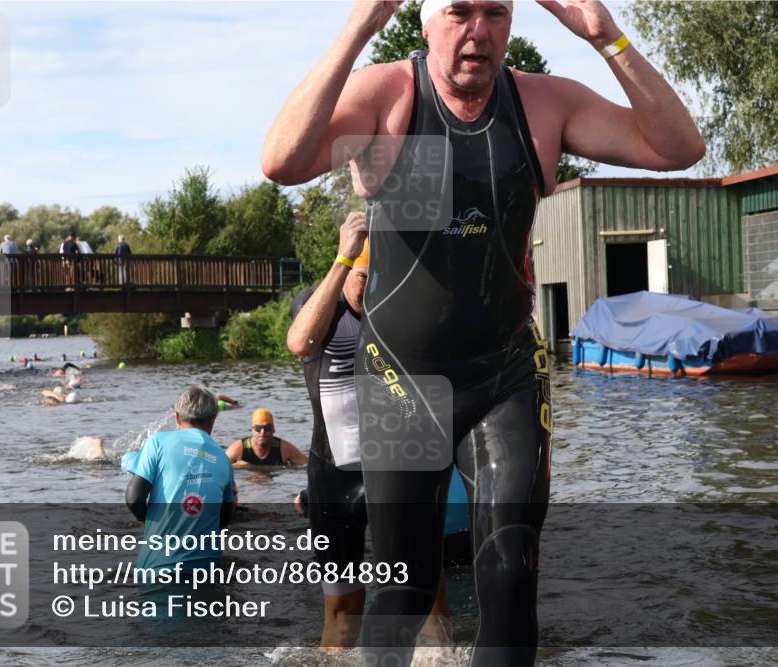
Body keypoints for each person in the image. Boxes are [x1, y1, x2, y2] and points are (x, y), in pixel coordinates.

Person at [261, 2, 705, 665]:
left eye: (496, 12)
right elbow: (283, 161)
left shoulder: (542, 103)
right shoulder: (389, 96)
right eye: (459, 11)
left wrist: (603, 35)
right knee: (404, 589)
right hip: (401, 379)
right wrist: (358, 26)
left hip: (506, 374)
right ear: (423, 23)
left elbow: (678, 147)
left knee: (510, 582)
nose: (479, 30)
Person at [287, 216, 453, 652]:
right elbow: (301, 343)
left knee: (427, 593)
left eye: (380, 278)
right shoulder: (318, 303)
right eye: (363, 277)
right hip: (334, 478)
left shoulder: (397, 311)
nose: (370, 288)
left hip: (398, 472)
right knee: (343, 612)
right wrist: (345, 257)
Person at [123, 385, 237, 573]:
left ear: (177, 417)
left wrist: (150, 520)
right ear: (213, 420)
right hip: (207, 570)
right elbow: (224, 516)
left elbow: (134, 498)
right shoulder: (224, 459)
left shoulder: (157, 442)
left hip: (158, 568)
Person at [225, 409, 307, 467]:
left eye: (267, 428)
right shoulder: (239, 449)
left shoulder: (284, 449)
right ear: (252, 430)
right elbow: (219, 466)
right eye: (258, 428)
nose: (262, 432)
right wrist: (235, 467)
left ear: (273, 430)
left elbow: (308, 465)